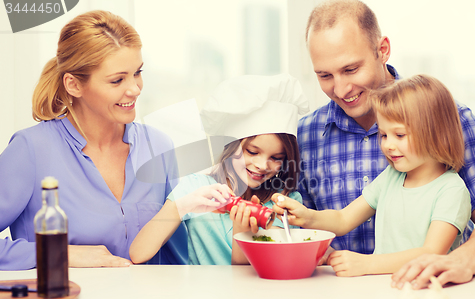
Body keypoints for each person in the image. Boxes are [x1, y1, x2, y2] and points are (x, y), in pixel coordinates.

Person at [298, 0, 475, 271]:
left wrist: (459, 263)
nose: (341, 89)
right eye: (324, 75)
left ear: (382, 50)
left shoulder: (451, 119)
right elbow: (309, 229)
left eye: (351, 69)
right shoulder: (304, 135)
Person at [0, 10, 187, 270]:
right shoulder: (31, 150)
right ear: (74, 85)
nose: (134, 88)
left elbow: (181, 253)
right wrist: (62, 254)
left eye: (137, 72)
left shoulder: (158, 146)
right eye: (117, 80)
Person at [273, 74, 471, 276]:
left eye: (399, 135)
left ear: (436, 133)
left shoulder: (451, 190)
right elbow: (343, 219)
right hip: (384, 290)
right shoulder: (392, 177)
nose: (388, 145)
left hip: (426, 294)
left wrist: (367, 264)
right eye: (384, 135)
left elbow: (431, 253)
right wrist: (308, 217)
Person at [129, 74, 308, 265]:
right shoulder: (195, 188)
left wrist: (243, 232)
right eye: (252, 151)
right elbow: (139, 254)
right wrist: (181, 206)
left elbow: (261, 274)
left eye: (276, 158)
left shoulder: (284, 203)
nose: (263, 165)